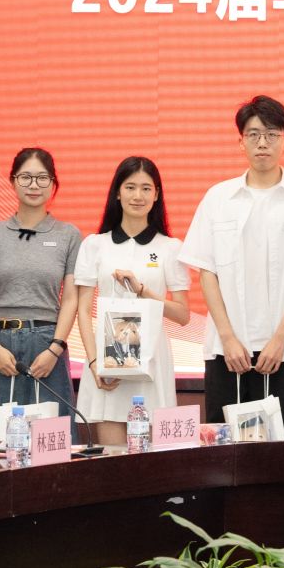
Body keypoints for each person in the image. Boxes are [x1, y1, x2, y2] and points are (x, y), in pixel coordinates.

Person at [182, 95, 284, 440]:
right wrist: (227, 337)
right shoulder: (218, 198)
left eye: (271, 134)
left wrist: (279, 339)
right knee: (223, 449)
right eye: (253, 135)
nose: (262, 143)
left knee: (280, 451)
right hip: (226, 351)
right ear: (241, 142)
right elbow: (207, 272)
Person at [74, 157, 192, 446]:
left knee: (152, 460)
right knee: (111, 459)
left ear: (157, 194)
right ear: (117, 192)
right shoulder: (95, 244)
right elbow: (83, 311)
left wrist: (143, 291)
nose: (138, 196)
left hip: (152, 361)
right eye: (130, 187)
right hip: (107, 362)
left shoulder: (170, 248)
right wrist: (94, 363)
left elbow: (182, 315)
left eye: (146, 188)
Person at [0, 147, 83, 441]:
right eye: (26, 177)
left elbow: (71, 299)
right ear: (12, 181)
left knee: (52, 441)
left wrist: (55, 349)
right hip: (0, 346)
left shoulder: (69, 235)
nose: (34, 185)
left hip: (47, 345)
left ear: (53, 184)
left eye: (42, 178)